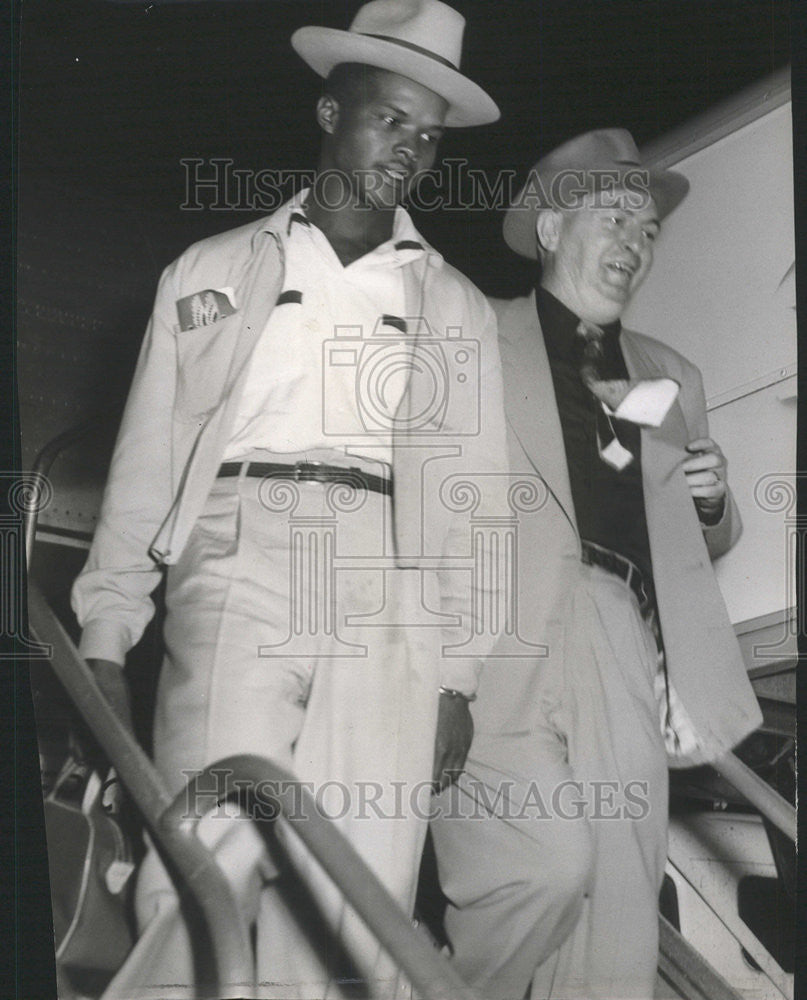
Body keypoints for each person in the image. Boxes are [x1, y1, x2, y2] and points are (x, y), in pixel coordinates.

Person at [70, 2, 506, 996]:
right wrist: (106, 628)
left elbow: (473, 500)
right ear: (327, 110)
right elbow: (149, 460)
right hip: (239, 549)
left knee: (358, 899)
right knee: (208, 848)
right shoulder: (212, 269)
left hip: (388, 586)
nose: (411, 150)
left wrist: (458, 681)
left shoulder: (457, 308)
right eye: (391, 119)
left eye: (430, 137)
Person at [430, 129, 762, 1000]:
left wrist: (709, 504)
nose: (634, 243)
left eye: (647, 229)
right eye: (612, 217)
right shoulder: (470, 334)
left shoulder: (669, 376)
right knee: (533, 872)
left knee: (618, 910)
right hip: (497, 639)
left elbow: (698, 539)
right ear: (548, 229)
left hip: (627, 637)